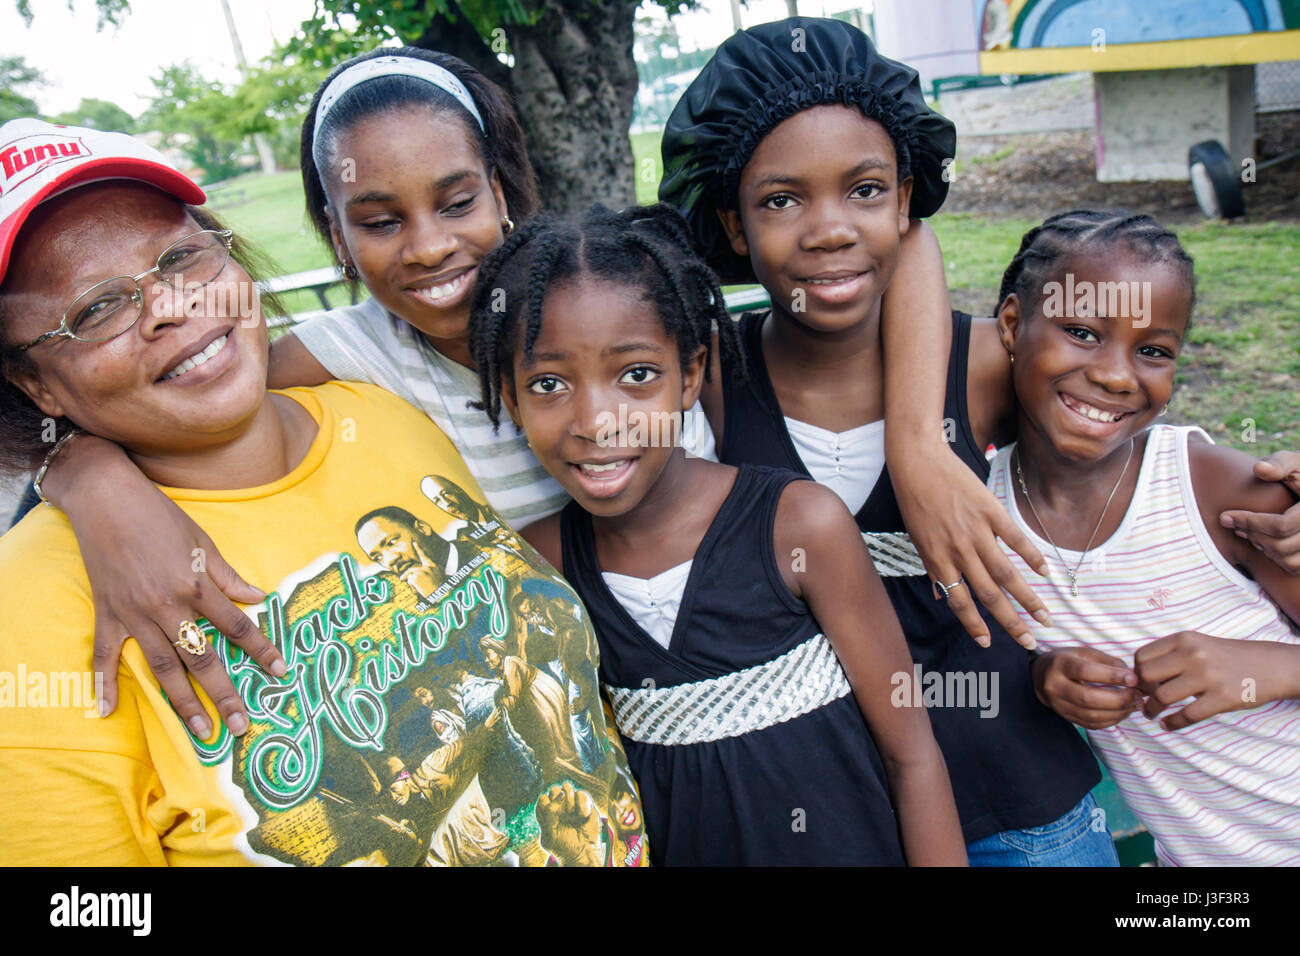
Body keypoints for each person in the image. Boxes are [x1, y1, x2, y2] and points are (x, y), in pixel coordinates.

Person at [28, 42, 978, 739]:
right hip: (590, 726)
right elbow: (183, 391)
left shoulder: (601, 294)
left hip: (749, 681)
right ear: (333, 233)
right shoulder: (348, 355)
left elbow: (911, 233)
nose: (432, 246)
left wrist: (919, 441)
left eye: (456, 201)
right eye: (379, 220)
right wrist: (85, 475)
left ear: (504, 186)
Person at [0, 119, 648, 866]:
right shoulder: (36, 610)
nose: (172, 308)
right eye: (97, 309)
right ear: (34, 382)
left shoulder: (378, 411)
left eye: (180, 257)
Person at [658, 17, 1116, 865]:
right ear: (730, 222)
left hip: (1024, 814)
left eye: (865, 191)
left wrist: (1262, 500)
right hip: (843, 819)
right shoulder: (712, 379)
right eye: (781, 200)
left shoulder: (983, 363)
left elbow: (1137, 459)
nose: (829, 229)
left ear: (907, 199)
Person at [468, 203, 967, 866]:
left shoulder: (799, 525)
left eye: (637, 375)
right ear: (511, 397)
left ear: (692, 375)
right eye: (549, 383)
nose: (597, 420)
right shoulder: (540, 565)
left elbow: (912, 755)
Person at [984, 210, 1300, 866]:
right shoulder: (977, 512)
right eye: (1082, 333)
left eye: (1152, 350)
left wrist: (1273, 668)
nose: (1118, 375)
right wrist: (1045, 679)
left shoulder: (1215, 490)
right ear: (1012, 326)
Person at [355, 504, 459, 606]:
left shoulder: (474, 546)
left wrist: (440, 593)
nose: (390, 560)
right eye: (378, 557)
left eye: (391, 542)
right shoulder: (415, 598)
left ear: (422, 528)